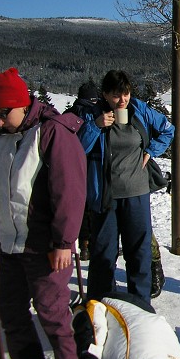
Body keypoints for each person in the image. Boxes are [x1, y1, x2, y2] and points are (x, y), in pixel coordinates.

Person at [0, 67, 87, 359]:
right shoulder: (2, 136)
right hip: (8, 245)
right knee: (12, 315)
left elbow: (70, 191)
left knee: (53, 316)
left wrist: (64, 242)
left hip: (44, 247)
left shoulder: (51, 132)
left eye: (2, 112)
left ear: (21, 104)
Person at [78, 70, 174, 304]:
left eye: (126, 94)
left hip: (137, 192)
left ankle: (140, 304)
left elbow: (168, 130)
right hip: (105, 195)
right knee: (103, 254)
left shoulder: (139, 110)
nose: (122, 100)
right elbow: (78, 148)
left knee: (138, 252)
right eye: (116, 96)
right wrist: (96, 126)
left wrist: (151, 151)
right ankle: (99, 305)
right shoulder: (91, 114)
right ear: (104, 95)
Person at [71, 292, 180, 359]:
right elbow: (94, 313)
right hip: (115, 302)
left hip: (154, 321)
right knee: (83, 318)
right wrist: (88, 358)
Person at [64, 81, 101, 261]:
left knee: (79, 207)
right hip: (92, 165)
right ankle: (92, 242)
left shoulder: (69, 114)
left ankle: (83, 244)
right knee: (92, 206)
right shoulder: (95, 114)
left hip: (71, 167)